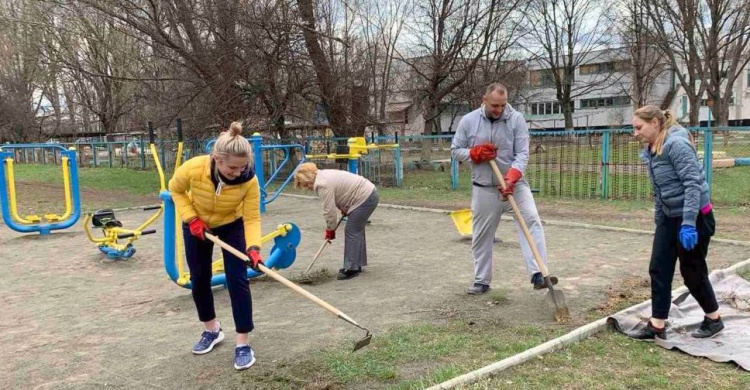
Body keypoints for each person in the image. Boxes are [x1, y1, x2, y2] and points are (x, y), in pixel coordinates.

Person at [168, 122, 263, 370]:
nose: (237, 172)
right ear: (216, 159)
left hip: (231, 224)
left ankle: (242, 343)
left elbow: (252, 217)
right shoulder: (194, 168)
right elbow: (175, 189)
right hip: (197, 224)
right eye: (232, 167)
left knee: (238, 280)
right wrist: (191, 219)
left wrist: (253, 248)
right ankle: (212, 330)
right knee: (199, 278)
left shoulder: (248, 181)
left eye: (242, 167)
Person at [451, 82, 558, 295]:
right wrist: (474, 153)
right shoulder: (469, 121)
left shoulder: (516, 119)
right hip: (484, 188)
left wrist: (512, 177)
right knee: (481, 235)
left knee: (532, 221)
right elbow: (455, 150)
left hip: (514, 185)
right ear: (484, 100)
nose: (499, 110)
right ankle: (481, 281)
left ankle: (538, 273)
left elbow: (522, 154)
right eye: (494, 105)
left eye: (502, 105)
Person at [631, 105, 724, 340]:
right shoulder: (652, 149)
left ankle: (714, 319)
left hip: (695, 217)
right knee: (659, 267)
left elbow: (693, 184)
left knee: (692, 271)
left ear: (655, 123)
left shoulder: (676, 144)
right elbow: (662, 190)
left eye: (638, 127)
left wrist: (689, 223)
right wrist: (660, 221)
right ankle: (657, 325)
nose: (636, 133)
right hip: (670, 217)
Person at [294, 162, 379, 280]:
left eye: (304, 184)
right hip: (366, 194)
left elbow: (329, 211)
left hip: (365, 197)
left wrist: (330, 230)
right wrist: (345, 207)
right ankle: (356, 264)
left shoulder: (321, 184)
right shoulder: (323, 175)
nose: (306, 188)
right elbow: (341, 193)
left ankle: (351, 269)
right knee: (356, 230)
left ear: (307, 180)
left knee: (352, 230)